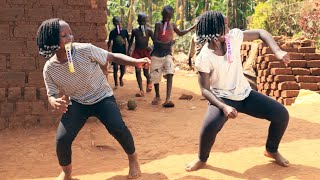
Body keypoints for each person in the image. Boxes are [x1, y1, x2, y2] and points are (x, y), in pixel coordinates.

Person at [36, 18, 150, 179]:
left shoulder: (85, 50)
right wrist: (55, 101)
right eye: (64, 36)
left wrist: (136, 61)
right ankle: (66, 173)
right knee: (62, 139)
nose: (70, 38)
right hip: (78, 102)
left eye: (70, 33)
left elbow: (112, 57)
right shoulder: (50, 68)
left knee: (117, 128)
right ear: (52, 41)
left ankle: (133, 159)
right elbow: (51, 93)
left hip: (102, 97)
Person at [185, 11, 290, 172]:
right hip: (222, 98)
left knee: (281, 115)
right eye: (224, 26)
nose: (228, 28)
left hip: (245, 94)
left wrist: (277, 51)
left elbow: (261, 32)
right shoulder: (204, 57)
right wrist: (224, 107)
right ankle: (201, 158)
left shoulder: (232, 38)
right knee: (209, 128)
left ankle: (271, 150)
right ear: (214, 31)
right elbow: (205, 90)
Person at [151, 5, 195, 107]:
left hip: (167, 54)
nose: (167, 18)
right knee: (155, 77)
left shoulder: (172, 25)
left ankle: (168, 99)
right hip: (157, 54)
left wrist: (191, 28)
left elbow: (180, 33)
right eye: (166, 16)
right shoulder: (158, 24)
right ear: (162, 14)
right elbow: (155, 40)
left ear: (172, 16)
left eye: (169, 17)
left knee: (170, 72)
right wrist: (168, 43)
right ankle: (157, 95)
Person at [128, 12, 154, 97]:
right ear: (138, 21)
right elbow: (131, 41)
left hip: (145, 53)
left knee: (146, 72)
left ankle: (149, 80)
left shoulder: (149, 31)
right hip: (137, 53)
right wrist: (129, 50)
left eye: (144, 21)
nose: (142, 23)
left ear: (146, 21)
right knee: (138, 71)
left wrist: (151, 47)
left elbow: (155, 42)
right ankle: (141, 90)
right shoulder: (135, 31)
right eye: (140, 21)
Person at [107, 16, 130, 89]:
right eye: (115, 22)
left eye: (118, 22)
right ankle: (116, 83)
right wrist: (107, 51)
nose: (117, 24)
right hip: (115, 52)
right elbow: (109, 42)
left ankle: (121, 78)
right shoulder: (112, 32)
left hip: (123, 52)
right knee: (115, 68)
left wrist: (129, 50)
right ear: (113, 23)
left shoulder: (124, 31)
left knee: (123, 68)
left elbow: (128, 41)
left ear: (121, 22)